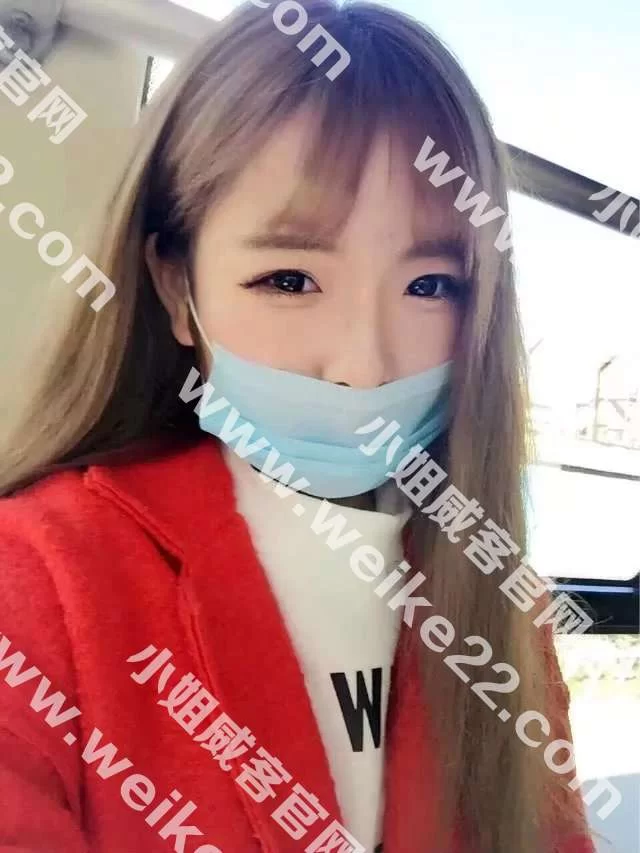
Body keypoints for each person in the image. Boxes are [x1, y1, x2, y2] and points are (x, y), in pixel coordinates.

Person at [0, 2, 597, 852]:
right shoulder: (35, 576)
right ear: (175, 286)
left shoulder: (502, 601)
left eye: (430, 286)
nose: (363, 366)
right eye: (289, 279)